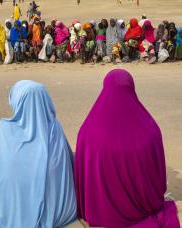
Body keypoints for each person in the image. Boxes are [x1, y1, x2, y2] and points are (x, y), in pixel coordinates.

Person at [75, 69, 180, 227]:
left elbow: (82, 174)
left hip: (100, 213)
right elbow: (157, 175)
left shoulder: (87, 132)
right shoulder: (150, 129)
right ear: (132, 87)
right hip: (142, 209)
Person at [0, 80, 77, 227]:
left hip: (11, 212)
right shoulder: (54, 128)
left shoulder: (3, 130)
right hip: (60, 212)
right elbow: (69, 163)